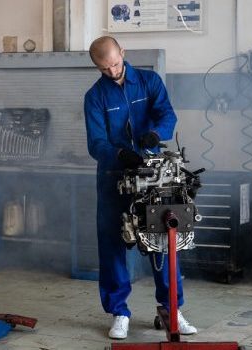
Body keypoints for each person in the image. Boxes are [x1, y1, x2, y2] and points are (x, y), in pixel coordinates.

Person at [83, 36, 197, 340]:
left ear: (123, 53)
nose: (112, 71)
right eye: (105, 68)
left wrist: (155, 134)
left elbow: (167, 115)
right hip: (113, 177)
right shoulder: (94, 97)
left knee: (164, 240)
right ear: (97, 66)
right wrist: (120, 154)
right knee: (112, 246)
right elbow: (96, 143)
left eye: (116, 64)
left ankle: (171, 308)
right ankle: (119, 312)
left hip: (153, 176)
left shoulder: (149, 81)